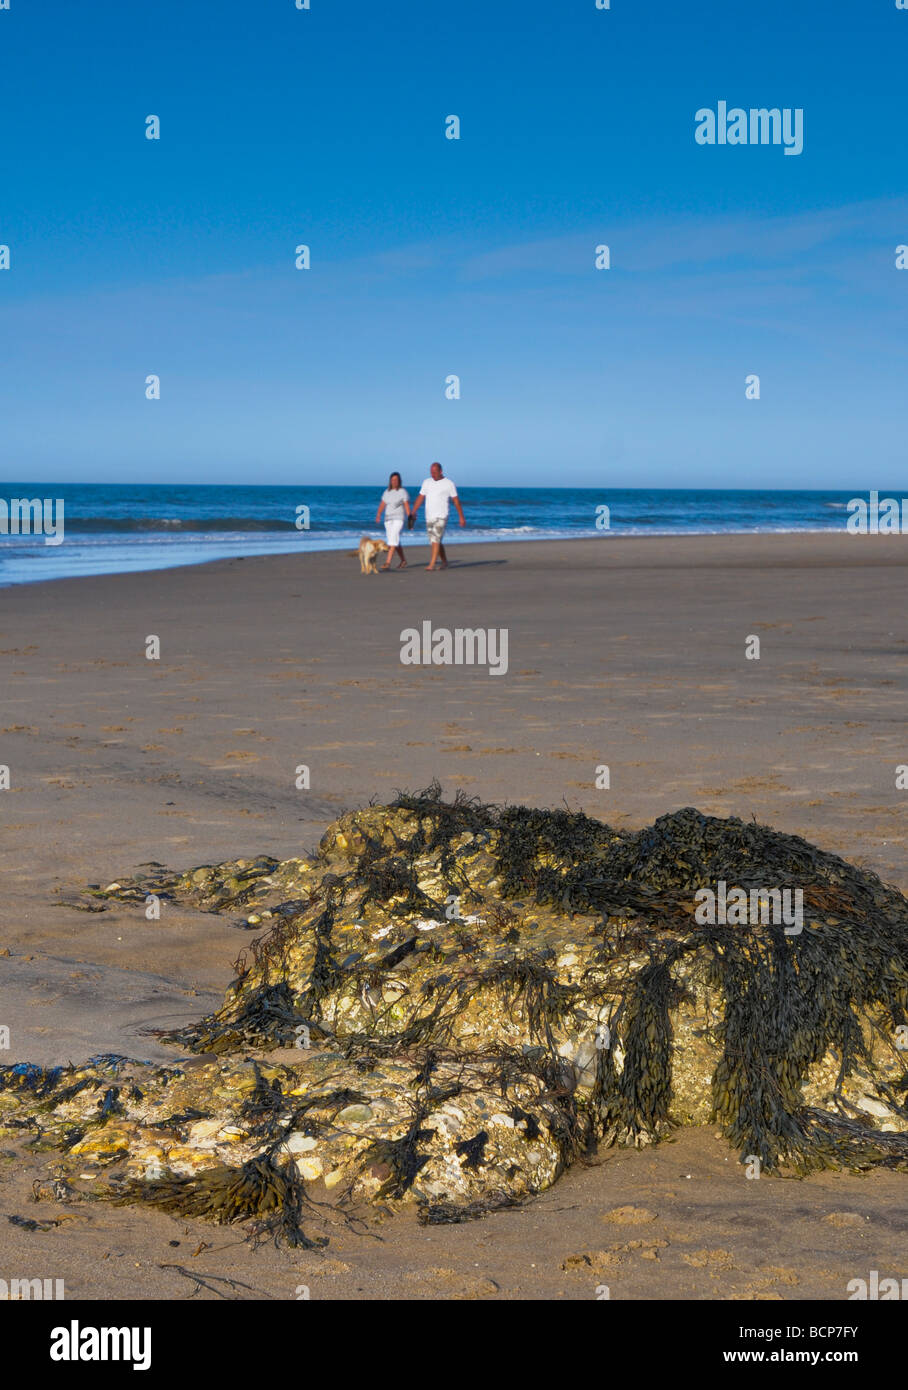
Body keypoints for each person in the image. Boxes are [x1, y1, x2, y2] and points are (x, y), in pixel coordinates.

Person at [410, 461, 465, 570]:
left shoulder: (449, 483)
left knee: (436, 539)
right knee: (435, 541)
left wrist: (461, 517)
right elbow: (421, 497)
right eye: (431, 472)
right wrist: (413, 511)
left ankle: (432, 564)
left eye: (435, 472)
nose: (433, 474)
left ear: (441, 471)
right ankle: (444, 562)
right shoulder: (427, 482)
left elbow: (456, 501)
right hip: (429, 515)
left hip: (442, 515)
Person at [375, 471, 411, 569]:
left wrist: (410, 519)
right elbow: (382, 504)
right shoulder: (387, 492)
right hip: (388, 519)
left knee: (392, 540)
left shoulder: (403, 492)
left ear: (399, 481)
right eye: (392, 480)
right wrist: (378, 514)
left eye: (396, 480)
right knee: (394, 540)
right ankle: (403, 561)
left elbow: (407, 506)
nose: (394, 482)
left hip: (399, 519)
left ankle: (387, 563)